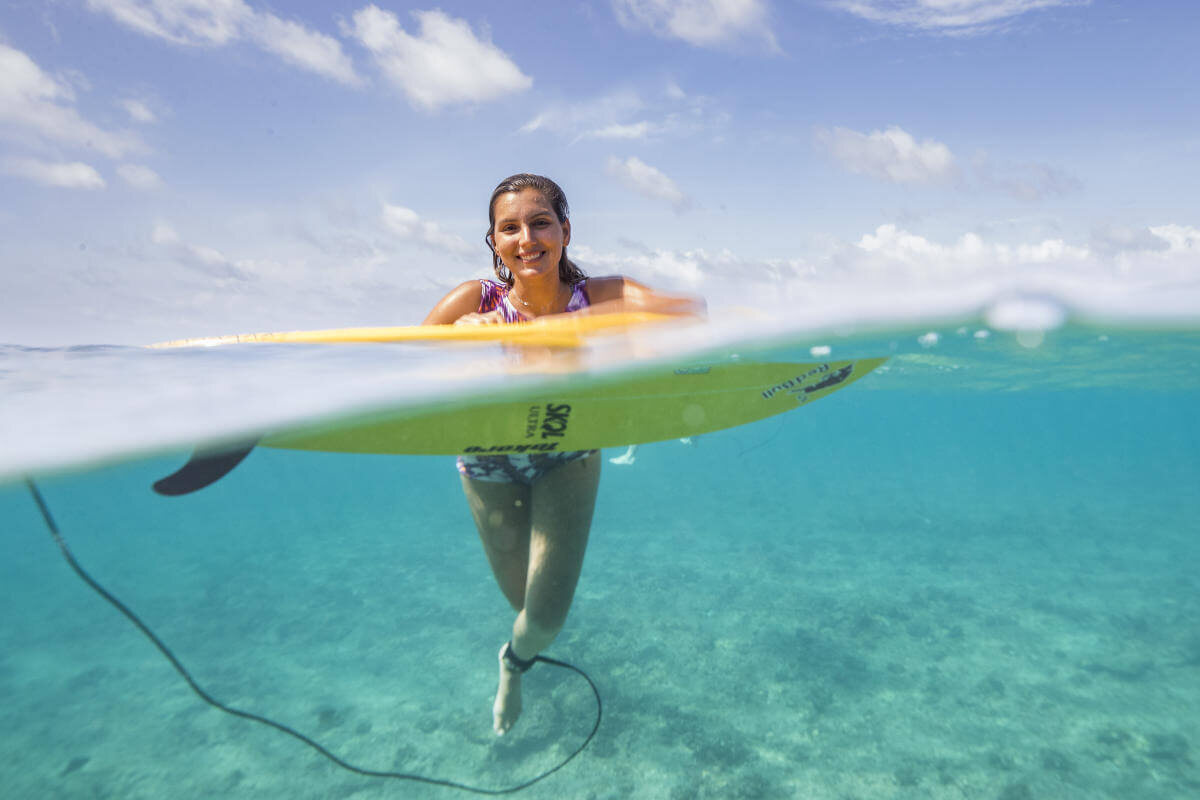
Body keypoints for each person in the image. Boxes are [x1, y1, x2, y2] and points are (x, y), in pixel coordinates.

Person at [423, 173, 702, 735]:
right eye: (510, 228)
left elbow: (684, 312)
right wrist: (458, 343)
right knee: (520, 600)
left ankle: (513, 666)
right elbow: (402, 365)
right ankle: (519, 653)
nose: (526, 238)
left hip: (566, 453)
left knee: (544, 619)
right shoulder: (474, 300)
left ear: (565, 230)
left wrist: (586, 326)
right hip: (486, 459)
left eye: (540, 222)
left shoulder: (601, 294)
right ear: (495, 242)